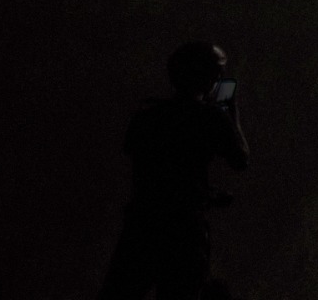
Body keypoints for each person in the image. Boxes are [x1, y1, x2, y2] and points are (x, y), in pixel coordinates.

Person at [97, 42, 251, 300]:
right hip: (184, 235)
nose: (220, 78)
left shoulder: (147, 116)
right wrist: (231, 115)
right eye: (217, 72)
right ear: (208, 77)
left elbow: (155, 172)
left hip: (141, 227)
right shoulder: (210, 118)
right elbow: (241, 159)